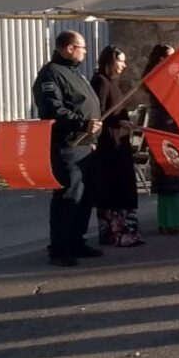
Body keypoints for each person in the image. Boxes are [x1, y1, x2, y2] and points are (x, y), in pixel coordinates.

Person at [33, 31, 103, 267]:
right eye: (82, 48)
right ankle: (59, 248)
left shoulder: (75, 74)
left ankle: (76, 240)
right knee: (68, 195)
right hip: (68, 144)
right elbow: (53, 109)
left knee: (84, 197)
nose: (85, 52)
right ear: (69, 48)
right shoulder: (51, 74)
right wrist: (82, 123)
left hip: (85, 144)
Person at [90, 46, 143, 248]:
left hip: (120, 142)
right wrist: (116, 122)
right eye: (120, 61)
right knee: (113, 188)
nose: (124, 65)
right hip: (109, 146)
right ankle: (114, 232)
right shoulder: (100, 82)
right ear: (111, 61)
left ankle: (127, 229)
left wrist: (124, 121)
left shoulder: (114, 83)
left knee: (124, 187)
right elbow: (99, 113)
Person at [143, 45, 179, 235]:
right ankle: (168, 221)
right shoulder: (156, 78)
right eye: (170, 56)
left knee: (176, 177)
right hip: (164, 129)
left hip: (173, 128)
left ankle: (176, 219)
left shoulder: (170, 76)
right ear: (161, 58)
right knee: (168, 179)